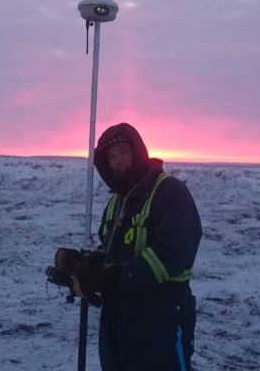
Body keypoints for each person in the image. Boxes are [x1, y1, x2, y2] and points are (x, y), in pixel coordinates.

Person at [56, 122, 202, 371]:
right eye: (111, 157)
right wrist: (84, 265)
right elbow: (112, 252)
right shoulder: (117, 202)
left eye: (123, 152)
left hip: (160, 317)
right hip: (118, 319)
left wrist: (109, 279)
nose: (118, 162)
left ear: (138, 152)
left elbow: (172, 255)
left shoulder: (169, 191)